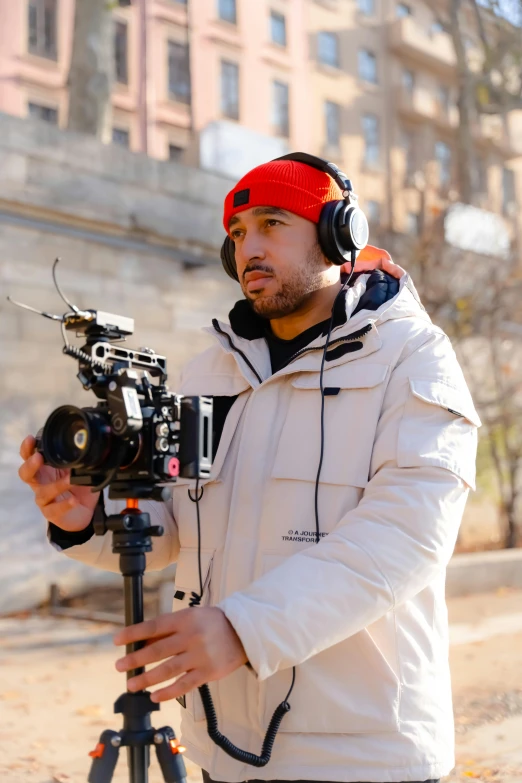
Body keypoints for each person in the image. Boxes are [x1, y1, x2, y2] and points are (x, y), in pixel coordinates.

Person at [19, 156, 481, 783]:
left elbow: (408, 535)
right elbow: (183, 524)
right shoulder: (211, 369)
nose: (249, 249)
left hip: (363, 755)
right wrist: (89, 518)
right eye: (237, 233)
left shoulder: (412, 354)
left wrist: (245, 630)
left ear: (338, 233)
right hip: (219, 747)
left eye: (271, 224)